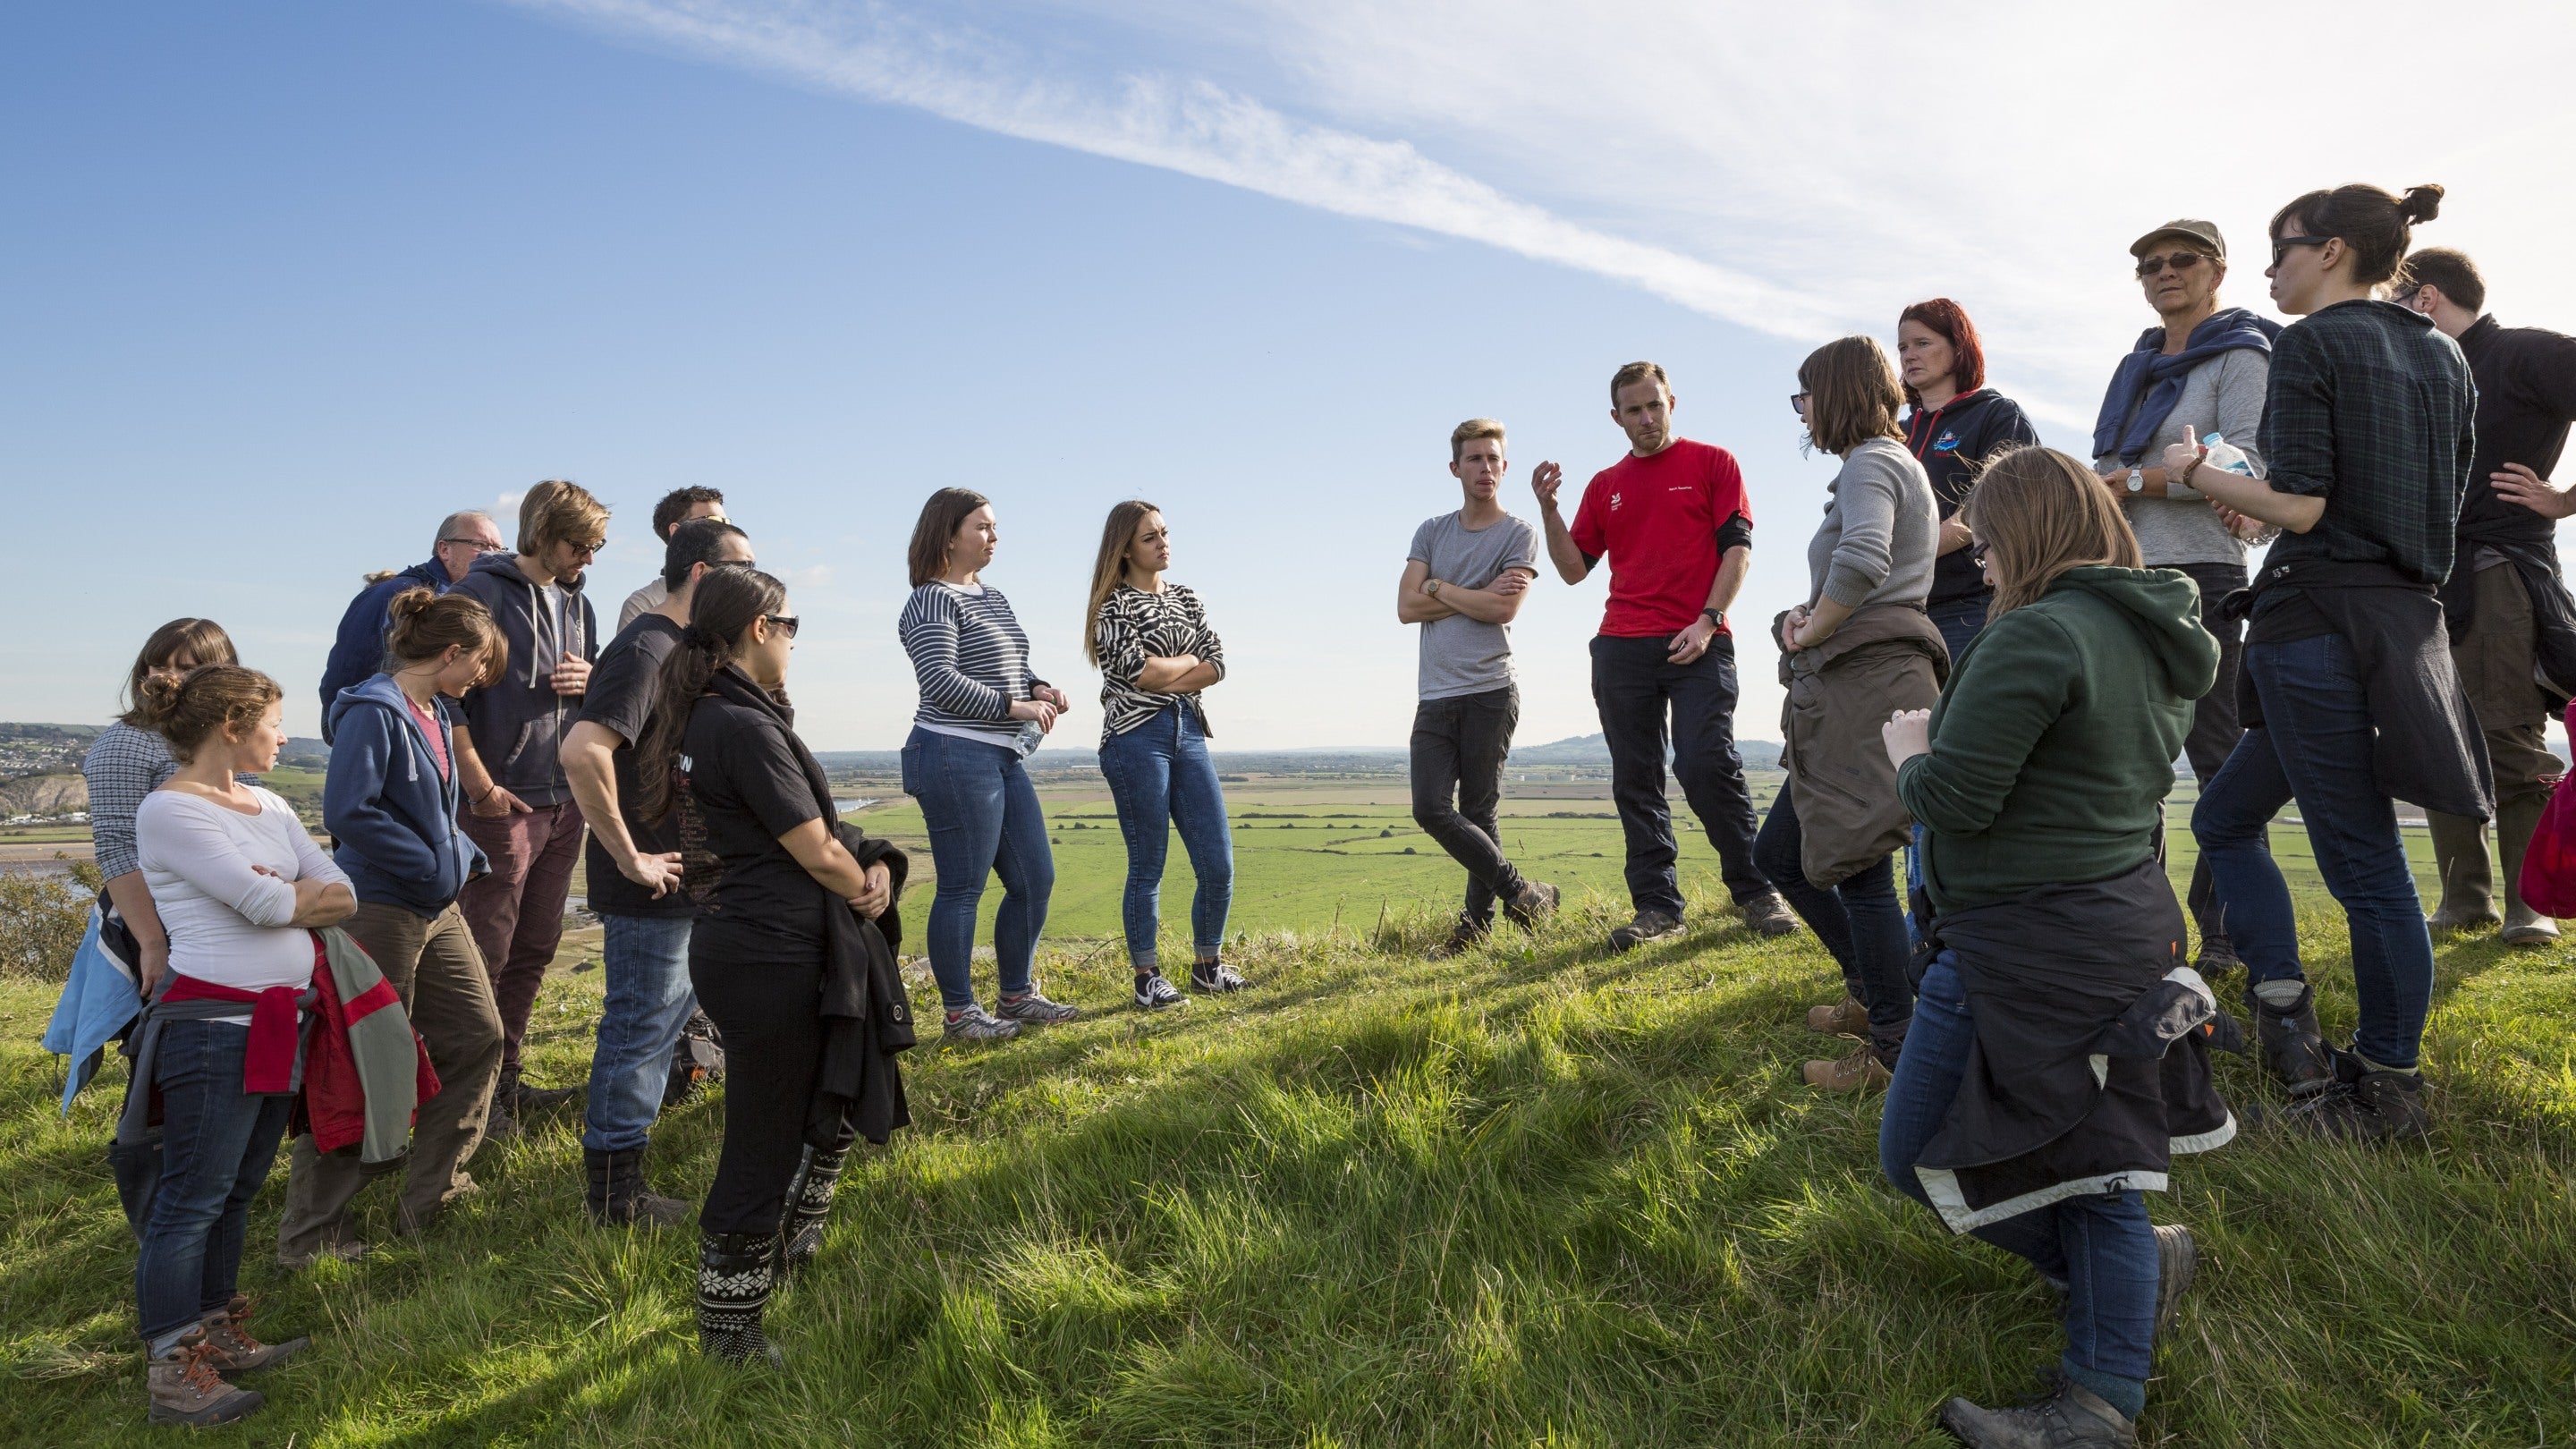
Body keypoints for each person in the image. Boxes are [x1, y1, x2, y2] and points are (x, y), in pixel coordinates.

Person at [1879, 445, 2226, 1449]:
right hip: (2114, 921)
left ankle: (2098, 1403)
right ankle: (2123, 1293)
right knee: (2085, 1151)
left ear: (2023, 535)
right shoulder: (2151, 632)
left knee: (1994, 1160)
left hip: (2023, 943)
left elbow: (1955, 800)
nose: (1980, 564)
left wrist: (1912, 754)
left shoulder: (2037, 635)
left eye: (1986, 543)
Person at [2187, 182, 2482, 1140]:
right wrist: (2258, 506)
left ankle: (2388, 1090)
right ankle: (2285, 1015)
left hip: (2316, 627)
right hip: (2395, 624)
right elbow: (2361, 504)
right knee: (2227, 820)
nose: (2271, 269)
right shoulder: (2444, 357)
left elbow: (2309, 507)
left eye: (2282, 249)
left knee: (2365, 868)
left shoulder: (2310, 341)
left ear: (2337, 250)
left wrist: (2200, 475)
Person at [631, 566, 912, 1364]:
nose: (794, 641)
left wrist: (878, 862)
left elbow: (815, 835)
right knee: (761, 1141)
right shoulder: (743, 727)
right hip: (770, 956)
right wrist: (867, 886)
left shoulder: (712, 716)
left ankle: (792, 1249)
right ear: (760, 628)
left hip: (748, 947)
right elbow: (816, 846)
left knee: (811, 1108)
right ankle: (730, 1333)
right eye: (791, 626)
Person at [129, 665, 353, 1425]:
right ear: (232, 724)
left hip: (281, 1022)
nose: (284, 735)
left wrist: (286, 899)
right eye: (273, 722)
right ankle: (170, 1367)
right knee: (191, 1198)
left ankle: (215, 1331)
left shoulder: (269, 802)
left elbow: (342, 892)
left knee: (235, 1191)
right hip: (212, 1031)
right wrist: (288, 898)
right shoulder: (169, 812)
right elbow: (262, 903)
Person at [277, 589, 510, 1267]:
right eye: (477, 664)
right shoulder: (372, 711)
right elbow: (350, 812)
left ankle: (433, 1192)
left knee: (477, 1035)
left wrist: (461, 859)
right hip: (380, 907)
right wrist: (432, 861)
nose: (478, 679)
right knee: (363, 1062)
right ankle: (310, 1236)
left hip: (436, 906)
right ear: (449, 653)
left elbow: (437, 817)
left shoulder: (434, 711)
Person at [1534, 362, 1799, 950]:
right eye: (1634, 410)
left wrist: (1707, 621)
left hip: (1700, 640)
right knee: (1636, 779)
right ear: (1616, 418)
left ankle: (1757, 891)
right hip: (1622, 646)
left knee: (1705, 762)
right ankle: (1658, 909)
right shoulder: (1605, 484)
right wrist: (1550, 510)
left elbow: (1738, 551)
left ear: (1672, 402)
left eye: (1655, 405)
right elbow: (1575, 570)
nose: (1647, 418)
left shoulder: (1713, 464)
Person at [2090, 219, 2281, 973]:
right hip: (2126, 574)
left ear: (2218, 271)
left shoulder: (2242, 353)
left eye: (2181, 260)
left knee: (2217, 758)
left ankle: (2231, 940)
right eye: (2149, 264)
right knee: (2128, 761)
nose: (2163, 272)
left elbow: (2249, 464)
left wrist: (2131, 482)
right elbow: (2110, 461)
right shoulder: (2137, 364)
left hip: (2202, 572)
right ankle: (2141, 932)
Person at [561, 517, 757, 1224]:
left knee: (661, 1017)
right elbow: (584, 751)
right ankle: (614, 1197)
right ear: (702, 575)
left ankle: (623, 1176)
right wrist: (627, 854)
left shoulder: (682, 647)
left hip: (678, 871)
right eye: (743, 568)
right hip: (649, 877)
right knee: (641, 1027)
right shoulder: (645, 648)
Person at [1766, 336, 1945, 1092]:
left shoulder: (1873, 459)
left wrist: (1815, 627)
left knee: (1859, 866)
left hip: (1865, 680)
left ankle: (1894, 1048)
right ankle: (1881, 996)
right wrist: (1810, 615)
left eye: (1806, 394)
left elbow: (1866, 558)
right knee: (1782, 856)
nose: (1801, 410)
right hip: (1864, 674)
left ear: (1838, 393)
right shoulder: (1882, 463)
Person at [2398, 247, 2576, 946]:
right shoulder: (2416, 374)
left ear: (2427, 298)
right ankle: (2465, 900)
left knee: (2505, 733)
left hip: (2500, 569)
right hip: (2418, 580)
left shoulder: (2523, 354)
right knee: (2436, 735)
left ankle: (2529, 904)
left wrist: (2563, 499)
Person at [448, 479, 609, 1131]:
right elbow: (441, 699)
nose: (588, 560)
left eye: (596, 547)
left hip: (564, 801)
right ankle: (463, 1101)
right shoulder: (479, 595)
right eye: (580, 545)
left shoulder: (581, 604)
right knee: (487, 951)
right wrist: (481, 789)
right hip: (500, 805)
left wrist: (593, 679)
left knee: (537, 945)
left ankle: (504, 1086)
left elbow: (596, 685)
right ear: (543, 533)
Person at [898, 488, 1077, 1041]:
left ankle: (1017, 995)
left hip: (1000, 757)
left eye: (994, 527)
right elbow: (942, 683)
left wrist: (1038, 686)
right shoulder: (931, 600)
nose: (994, 536)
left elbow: (1010, 667)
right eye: (983, 527)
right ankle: (960, 1015)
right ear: (948, 535)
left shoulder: (991, 596)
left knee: (1034, 879)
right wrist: (1015, 706)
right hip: (952, 752)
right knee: (962, 886)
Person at [1399, 419, 1560, 960]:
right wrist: (1472, 592)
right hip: (1435, 694)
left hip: (1491, 689)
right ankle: (1524, 893)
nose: (1485, 469)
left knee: (1480, 810)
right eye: (1474, 459)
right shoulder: (1431, 531)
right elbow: (1405, 607)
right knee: (1429, 808)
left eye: (1494, 459)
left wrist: (1439, 587)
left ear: (1504, 467)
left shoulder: (1518, 534)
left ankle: (1475, 927)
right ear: (1455, 468)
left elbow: (1503, 609)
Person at [1085, 500, 1247, 1006]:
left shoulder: (1187, 598)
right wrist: (1185, 665)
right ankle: (1147, 978)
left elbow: (1217, 664)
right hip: (1135, 739)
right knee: (1148, 864)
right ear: (1125, 549)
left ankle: (1207, 966)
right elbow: (1140, 674)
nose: (1163, 543)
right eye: (1150, 537)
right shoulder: (1112, 606)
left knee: (1218, 864)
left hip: (1189, 733)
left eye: (1165, 533)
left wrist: (1170, 669)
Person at [82, 621, 254, 1000]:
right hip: (163, 924)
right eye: (160, 666)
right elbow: (118, 848)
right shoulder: (127, 743)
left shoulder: (227, 738)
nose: (172, 677)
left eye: (188, 668)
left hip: (228, 917)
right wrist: (153, 944)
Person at [1895, 299, 2040, 658]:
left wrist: (1908, 552)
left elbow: (1997, 506)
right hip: (1899, 609)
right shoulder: (1894, 435)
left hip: (1973, 606)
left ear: (1959, 347)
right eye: (1902, 347)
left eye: (1922, 343)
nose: (1909, 355)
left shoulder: (1997, 414)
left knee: (1961, 714)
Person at [318, 509, 508, 740]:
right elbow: (351, 667)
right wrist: (355, 727)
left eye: (498, 549)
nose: (491, 556)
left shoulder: (472, 603)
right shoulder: (395, 595)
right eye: (480, 545)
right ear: (444, 549)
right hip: (385, 734)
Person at [617, 487, 729, 633]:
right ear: (677, 532)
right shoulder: (643, 604)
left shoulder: (737, 597)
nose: (726, 531)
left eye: (726, 522)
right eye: (713, 521)